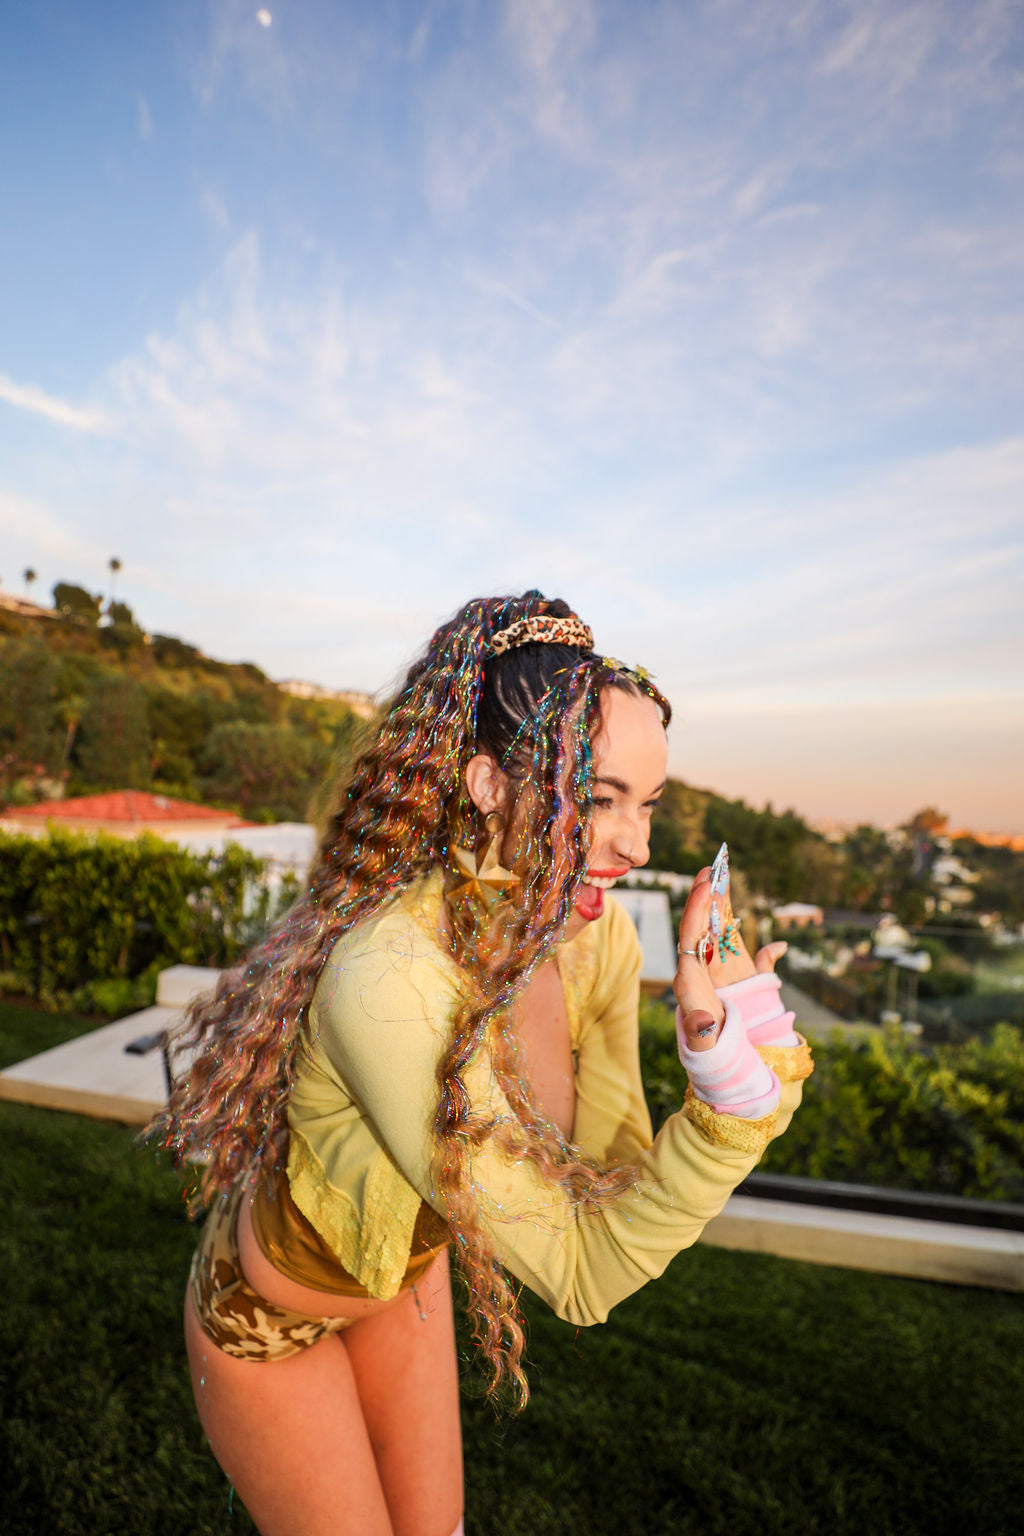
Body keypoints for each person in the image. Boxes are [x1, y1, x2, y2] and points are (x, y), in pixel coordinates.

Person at [153, 591, 812, 1536]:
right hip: (269, 1321)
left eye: (649, 805)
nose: (636, 846)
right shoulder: (389, 977)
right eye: (596, 800)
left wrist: (726, 1040)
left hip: (400, 1279)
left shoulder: (598, 941)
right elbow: (586, 1270)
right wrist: (736, 1095)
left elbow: (610, 1181)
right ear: (488, 784)